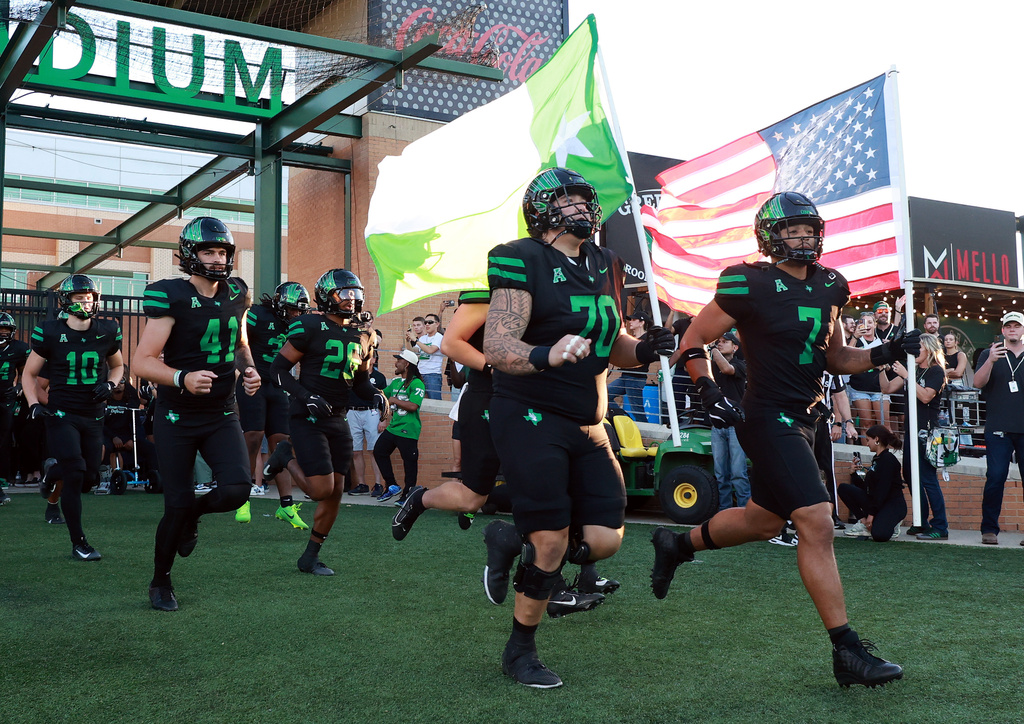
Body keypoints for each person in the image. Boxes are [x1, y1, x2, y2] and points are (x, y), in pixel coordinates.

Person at [651, 191, 916, 688]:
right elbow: (692, 339)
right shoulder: (746, 281)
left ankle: (676, 544)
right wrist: (706, 385)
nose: (803, 237)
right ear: (770, 235)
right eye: (792, 229)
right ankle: (847, 651)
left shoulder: (833, 283)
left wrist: (884, 352)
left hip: (809, 416)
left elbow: (837, 359)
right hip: (767, 414)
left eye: (809, 228)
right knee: (817, 520)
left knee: (761, 520)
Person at [483, 167, 675, 689]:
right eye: (565, 200)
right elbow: (498, 347)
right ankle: (520, 648)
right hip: (530, 412)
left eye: (582, 200)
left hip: (589, 420)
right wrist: (548, 352)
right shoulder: (520, 257)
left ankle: (508, 539)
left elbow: (612, 345)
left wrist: (644, 351)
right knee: (550, 540)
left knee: (605, 539)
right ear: (541, 210)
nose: (578, 209)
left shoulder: (605, 262)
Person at [390, 290, 619, 612]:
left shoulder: (557, 282)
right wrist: (494, 366)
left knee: (562, 487)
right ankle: (422, 498)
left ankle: (572, 575)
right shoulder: (498, 283)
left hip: (539, 400)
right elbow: (452, 343)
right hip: (492, 398)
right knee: (474, 495)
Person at [133, 216, 261, 611]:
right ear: (190, 254)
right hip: (177, 415)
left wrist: (249, 369)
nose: (217, 258)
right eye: (208, 250)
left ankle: (194, 517)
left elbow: (239, 343)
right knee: (175, 503)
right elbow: (142, 361)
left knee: (237, 489)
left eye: (222, 251)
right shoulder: (169, 295)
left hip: (222, 410)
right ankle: (160, 581)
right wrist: (182, 377)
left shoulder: (237, 292)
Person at [267, 269, 381, 575]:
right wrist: (305, 396)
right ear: (326, 296)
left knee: (335, 493)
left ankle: (310, 556)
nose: (351, 300)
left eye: (355, 294)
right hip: (307, 416)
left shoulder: (363, 334)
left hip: (338, 419)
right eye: (344, 294)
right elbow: (277, 370)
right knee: (319, 490)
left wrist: (376, 394)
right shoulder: (308, 325)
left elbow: (359, 383)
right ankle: (285, 456)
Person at [22, 274, 124, 560]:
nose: (85, 302)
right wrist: (33, 403)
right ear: (65, 302)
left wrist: (111, 384)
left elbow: (118, 366)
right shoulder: (49, 331)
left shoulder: (107, 329)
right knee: (76, 472)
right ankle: (79, 542)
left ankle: (51, 474)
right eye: (79, 298)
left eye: (89, 297)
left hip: (93, 415)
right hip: (61, 413)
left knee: (89, 477)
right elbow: (29, 374)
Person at [234, 281, 310, 530]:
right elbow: (238, 345)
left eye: (300, 311)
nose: (296, 315)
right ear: (279, 304)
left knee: (282, 443)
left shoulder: (299, 325)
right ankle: (242, 497)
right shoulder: (257, 315)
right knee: (253, 435)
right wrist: (246, 371)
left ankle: (286, 505)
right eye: (292, 309)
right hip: (253, 381)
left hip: (279, 386)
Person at [879, 332, 947, 540]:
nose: (914, 352)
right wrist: (882, 368)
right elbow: (887, 388)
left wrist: (907, 375)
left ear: (929, 349)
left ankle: (940, 526)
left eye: (918, 348)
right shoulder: (914, 370)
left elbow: (926, 397)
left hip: (927, 432)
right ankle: (921, 521)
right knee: (910, 475)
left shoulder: (936, 371)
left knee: (927, 478)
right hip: (911, 431)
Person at [972, 311, 1024, 546]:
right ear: (1003, 330)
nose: (1012, 329)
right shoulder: (989, 352)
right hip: (998, 428)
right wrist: (991, 360)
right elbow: (977, 383)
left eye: (1017, 326)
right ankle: (989, 529)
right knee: (995, 477)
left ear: (1022, 329)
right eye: (1008, 326)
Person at [839, 424, 906, 542]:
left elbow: (882, 490)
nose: (867, 443)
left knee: (879, 535)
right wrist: (853, 474)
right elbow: (867, 488)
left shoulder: (888, 460)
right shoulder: (877, 459)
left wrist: (871, 514)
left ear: (876, 439)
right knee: (844, 488)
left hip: (892, 504)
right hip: (878, 502)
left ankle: (892, 523)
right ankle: (864, 522)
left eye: (868, 440)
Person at [373, 350, 424, 504]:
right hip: (393, 427)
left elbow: (414, 405)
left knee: (409, 463)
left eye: (399, 360)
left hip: (408, 429)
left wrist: (394, 400)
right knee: (379, 451)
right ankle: (392, 485)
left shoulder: (417, 383)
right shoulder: (395, 382)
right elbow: (382, 395)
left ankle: (408, 494)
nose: (396, 363)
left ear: (407, 364)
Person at [709, 331, 749, 511]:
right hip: (717, 425)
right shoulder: (712, 364)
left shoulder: (741, 365)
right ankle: (724, 514)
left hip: (736, 426)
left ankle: (744, 515)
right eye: (718, 341)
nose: (720, 344)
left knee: (738, 473)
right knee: (720, 474)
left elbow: (727, 369)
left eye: (725, 342)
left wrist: (712, 349)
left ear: (735, 347)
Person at [0, 312, 30, 496]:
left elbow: (25, 372)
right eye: (0, 329)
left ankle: (4, 475)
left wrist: (18, 387)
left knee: (4, 438)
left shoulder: (19, 348)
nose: (3, 333)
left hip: (6, 397)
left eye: (6, 329)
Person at [607, 310, 653, 420]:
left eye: (634, 319)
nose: (630, 322)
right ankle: (622, 417)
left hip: (635, 378)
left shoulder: (647, 339)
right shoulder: (630, 339)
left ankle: (644, 427)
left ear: (642, 322)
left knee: (637, 410)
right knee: (605, 395)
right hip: (625, 376)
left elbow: (644, 359)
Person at [847, 312, 885, 441]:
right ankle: (867, 454)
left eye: (870, 322)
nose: (867, 325)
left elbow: (888, 365)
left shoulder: (881, 342)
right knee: (866, 424)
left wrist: (883, 365)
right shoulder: (855, 340)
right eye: (863, 322)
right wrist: (855, 337)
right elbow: (845, 357)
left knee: (883, 425)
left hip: (879, 387)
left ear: (875, 324)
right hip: (859, 387)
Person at [407, 314, 444, 400]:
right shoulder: (423, 338)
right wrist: (408, 340)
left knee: (435, 402)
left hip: (433, 374)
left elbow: (431, 350)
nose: (427, 324)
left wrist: (416, 340)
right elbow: (413, 353)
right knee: (419, 400)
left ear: (437, 324)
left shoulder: (439, 337)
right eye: (425, 322)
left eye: (430, 322)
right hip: (420, 373)